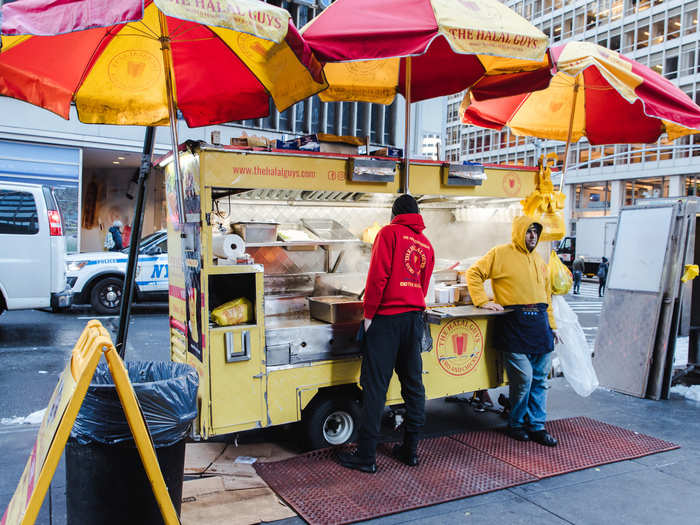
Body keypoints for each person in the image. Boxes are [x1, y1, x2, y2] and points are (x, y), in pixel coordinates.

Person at [337, 194, 435, 473]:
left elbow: (378, 277)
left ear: (395, 213)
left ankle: (366, 456)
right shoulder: (426, 244)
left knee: (375, 386)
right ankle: (410, 450)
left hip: (387, 320)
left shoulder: (389, 233)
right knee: (414, 386)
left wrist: (369, 315)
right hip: (414, 319)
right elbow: (423, 286)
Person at [466, 215, 560, 447]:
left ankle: (537, 426)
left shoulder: (540, 261)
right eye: (528, 231)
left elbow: (546, 298)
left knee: (540, 381)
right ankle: (516, 423)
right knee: (524, 379)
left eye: (536, 233)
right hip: (514, 326)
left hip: (540, 327)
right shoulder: (500, 253)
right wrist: (481, 300)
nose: (532, 236)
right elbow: (474, 273)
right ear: (519, 232)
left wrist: (553, 326)